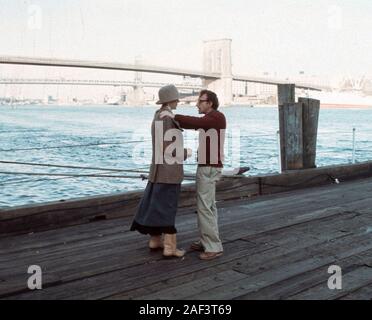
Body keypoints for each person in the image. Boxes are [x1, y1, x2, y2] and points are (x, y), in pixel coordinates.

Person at [160, 90, 226, 260]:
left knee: (205, 207)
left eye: (200, 101)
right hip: (208, 166)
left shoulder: (216, 117)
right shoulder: (210, 120)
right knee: (209, 206)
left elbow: (193, 121)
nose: (197, 104)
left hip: (208, 167)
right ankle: (207, 240)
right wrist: (174, 118)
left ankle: (213, 247)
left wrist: (172, 115)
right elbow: (193, 124)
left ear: (210, 103)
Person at [130, 84, 191, 259]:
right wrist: (186, 152)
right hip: (169, 172)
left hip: (157, 170)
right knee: (168, 208)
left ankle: (155, 240)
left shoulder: (157, 115)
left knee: (156, 205)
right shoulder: (168, 118)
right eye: (177, 98)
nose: (178, 101)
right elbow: (170, 149)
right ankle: (170, 248)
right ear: (171, 100)